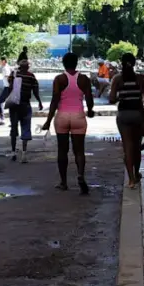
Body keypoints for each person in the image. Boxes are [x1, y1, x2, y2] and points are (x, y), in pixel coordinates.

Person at [42, 52, 95, 194]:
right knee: (79, 151)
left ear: (63, 64)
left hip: (62, 117)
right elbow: (89, 98)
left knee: (62, 150)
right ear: (77, 63)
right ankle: (80, 176)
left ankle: (63, 182)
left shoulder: (59, 79)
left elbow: (54, 101)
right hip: (78, 116)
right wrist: (90, 110)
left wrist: (48, 121)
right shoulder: (84, 79)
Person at [109, 52, 144, 189]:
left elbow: (111, 99)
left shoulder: (117, 79)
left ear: (121, 63)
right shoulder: (141, 78)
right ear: (134, 63)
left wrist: (121, 97)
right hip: (138, 114)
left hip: (123, 115)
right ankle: (137, 172)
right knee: (137, 146)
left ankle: (131, 180)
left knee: (128, 148)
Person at [7, 59, 43, 163]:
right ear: (28, 67)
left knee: (14, 128)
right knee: (26, 128)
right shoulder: (31, 76)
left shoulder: (14, 74)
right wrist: (39, 102)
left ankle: (13, 152)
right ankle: (24, 154)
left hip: (14, 105)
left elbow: (9, 87)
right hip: (25, 105)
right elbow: (35, 91)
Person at [0, 57, 13, 126]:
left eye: (0, 61)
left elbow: (9, 77)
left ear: (4, 61)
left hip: (8, 88)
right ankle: (12, 121)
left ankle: (3, 120)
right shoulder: (6, 67)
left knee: (0, 102)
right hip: (8, 87)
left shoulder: (5, 68)